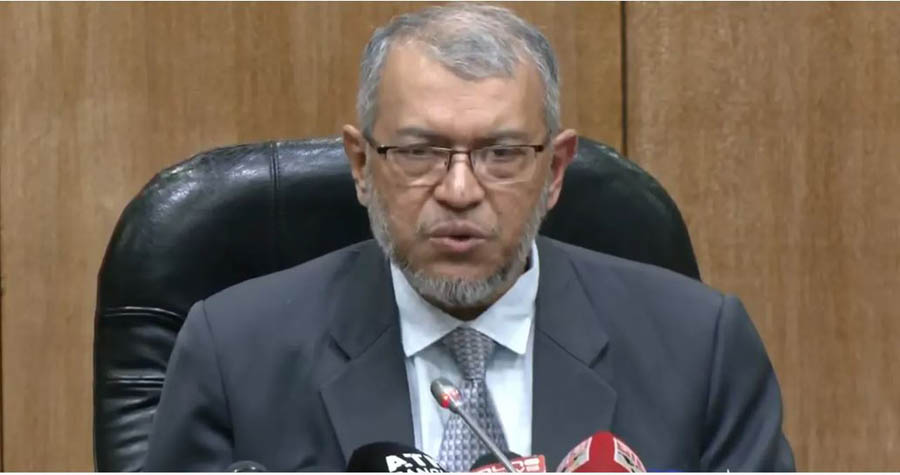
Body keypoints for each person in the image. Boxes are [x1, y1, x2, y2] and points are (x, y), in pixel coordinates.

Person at [145, 4, 794, 472]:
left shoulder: (701, 348)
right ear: (363, 166)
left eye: (502, 154)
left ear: (555, 171)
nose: (459, 190)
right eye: (420, 152)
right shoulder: (234, 354)